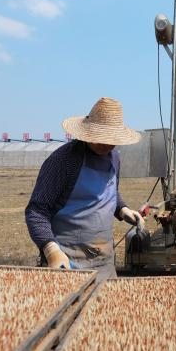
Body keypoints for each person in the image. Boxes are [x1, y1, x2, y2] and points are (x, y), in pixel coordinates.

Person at [24, 97, 144, 278]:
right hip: (68, 260)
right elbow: (37, 211)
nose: (106, 144)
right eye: (101, 137)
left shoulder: (114, 158)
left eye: (111, 139)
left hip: (104, 260)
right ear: (87, 132)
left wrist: (122, 209)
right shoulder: (64, 161)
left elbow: (109, 191)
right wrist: (51, 250)